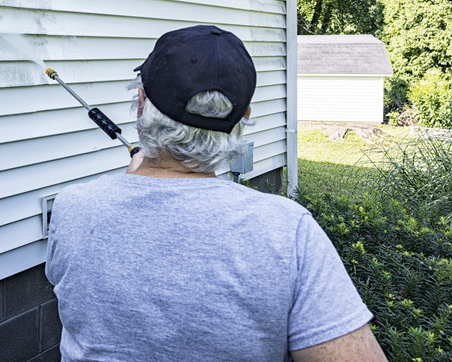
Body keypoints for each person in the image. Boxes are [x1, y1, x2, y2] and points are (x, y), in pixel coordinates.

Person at [45, 25, 387, 361]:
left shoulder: (73, 208)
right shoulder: (287, 230)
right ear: (245, 118)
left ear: (140, 102)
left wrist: (140, 175)